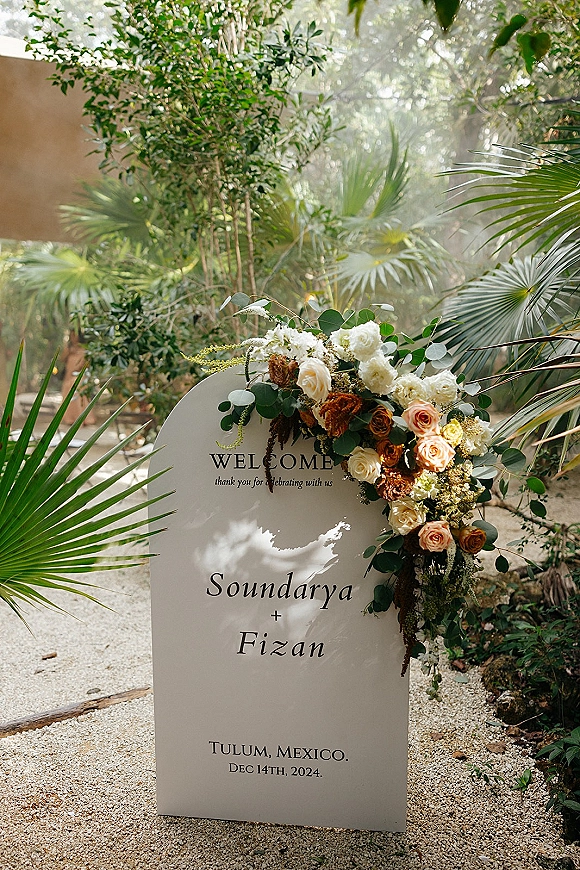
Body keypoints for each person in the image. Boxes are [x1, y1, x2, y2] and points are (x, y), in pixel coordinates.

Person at [60, 330, 96, 426]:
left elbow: (87, 362)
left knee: (78, 392)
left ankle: (82, 418)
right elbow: (62, 359)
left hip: (79, 375)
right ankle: (70, 418)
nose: (73, 337)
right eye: (72, 335)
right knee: (68, 393)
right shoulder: (69, 348)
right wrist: (68, 351)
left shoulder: (84, 349)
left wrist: (78, 368)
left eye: (75, 335)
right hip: (68, 375)